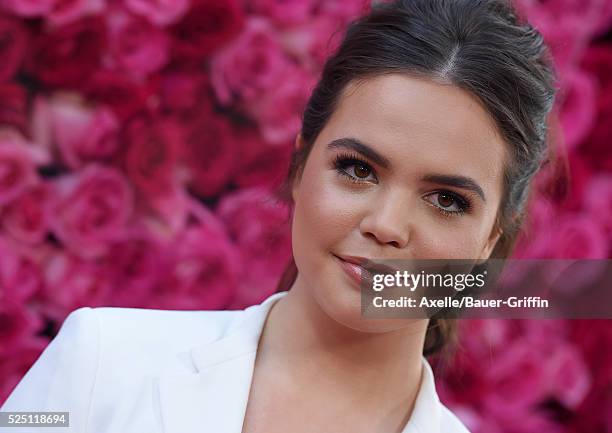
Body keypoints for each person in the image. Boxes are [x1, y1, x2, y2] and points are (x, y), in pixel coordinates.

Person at [0, 0, 558, 432]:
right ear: (300, 164)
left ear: (489, 242)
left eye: (447, 201)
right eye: (359, 169)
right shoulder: (102, 361)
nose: (387, 224)